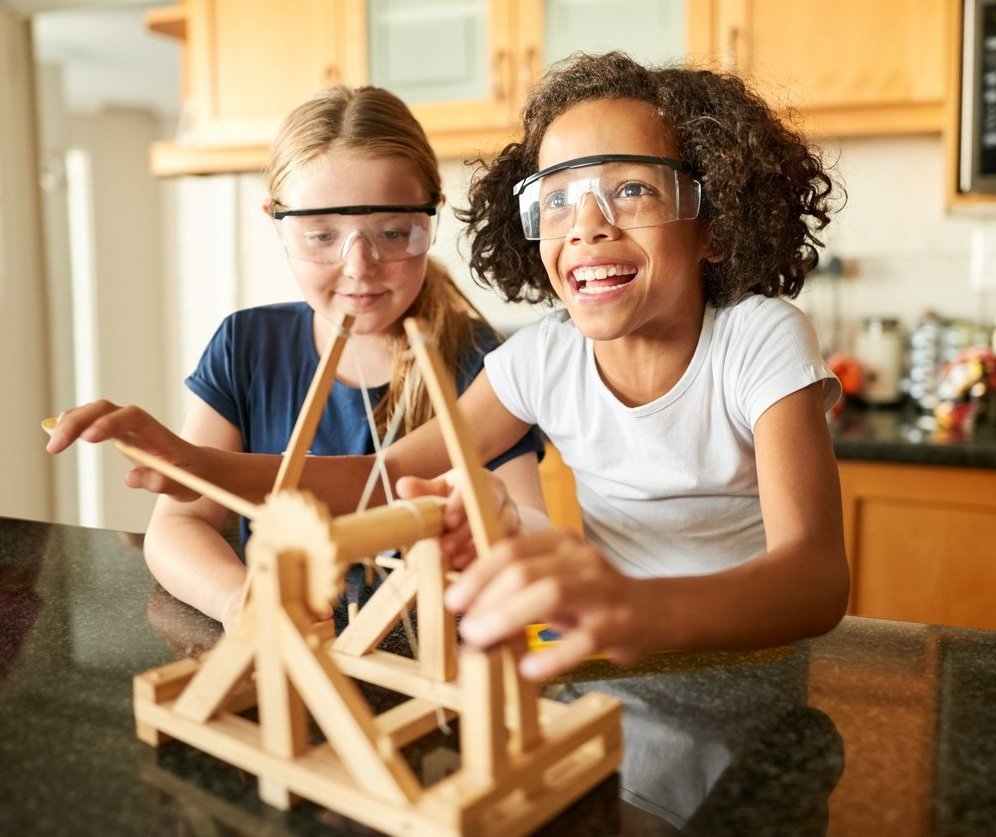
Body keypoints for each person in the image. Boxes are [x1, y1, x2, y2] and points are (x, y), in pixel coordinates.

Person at [48, 53, 848, 679]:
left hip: (747, 666)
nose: (588, 227)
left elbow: (815, 580)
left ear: (718, 221)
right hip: (609, 660)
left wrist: (632, 606)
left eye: (632, 189)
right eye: (559, 200)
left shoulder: (761, 339)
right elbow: (378, 478)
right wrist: (195, 463)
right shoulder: (542, 359)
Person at [50, 84, 545, 627]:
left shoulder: (480, 361)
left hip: (434, 658)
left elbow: (527, 529)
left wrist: (499, 522)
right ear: (277, 222)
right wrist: (242, 604)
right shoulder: (247, 346)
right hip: (285, 652)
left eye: (393, 233)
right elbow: (180, 525)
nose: (359, 265)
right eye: (321, 236)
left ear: (432, 217)